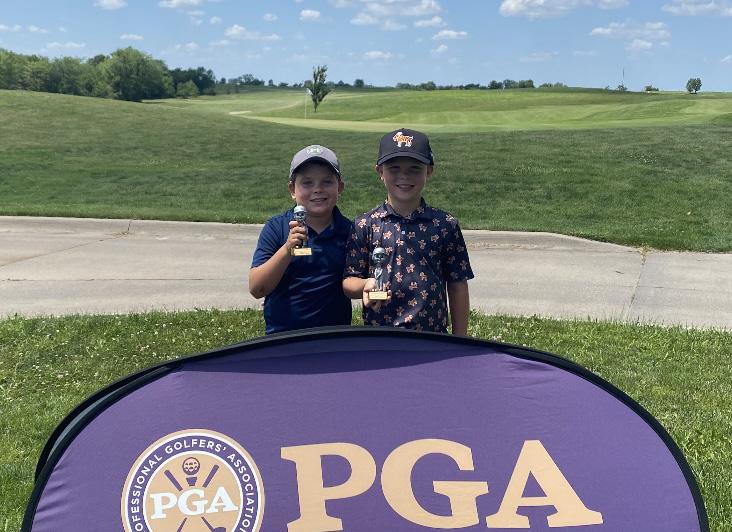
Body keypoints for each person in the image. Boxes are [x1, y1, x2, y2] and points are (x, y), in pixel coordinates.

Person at [343, 128, 473, 335]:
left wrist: (460, 340)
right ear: (380, 171)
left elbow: (458, 284)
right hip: (379, 336)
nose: (404, 176)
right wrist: (365, 284)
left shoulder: (445, 224)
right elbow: (349, 282)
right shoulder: (364, 224)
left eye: (414, 168)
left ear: (429, 171)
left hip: (433, 336)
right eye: (394, 168)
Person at [249, 145, 353, 334]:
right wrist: (287, 249)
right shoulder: (276, 227)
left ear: (340, 187)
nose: (318, 189)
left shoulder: (350, 231)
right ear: (292, 190)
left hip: (334, 336)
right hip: (283, 337)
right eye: (307, 183)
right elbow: (257, 288)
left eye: (327, 182)